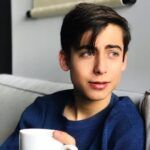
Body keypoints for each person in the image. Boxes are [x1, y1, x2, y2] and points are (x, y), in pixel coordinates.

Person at [1, 3, 145, 150]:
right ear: (65, 60)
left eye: (113, 53)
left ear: (123, 61)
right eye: (87, 53)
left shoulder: (126, 127)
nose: (101, 68)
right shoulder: (41, 110)